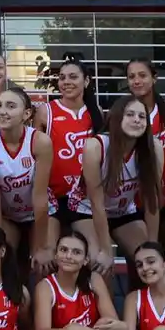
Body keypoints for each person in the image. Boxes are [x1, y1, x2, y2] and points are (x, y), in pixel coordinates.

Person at [65, 95, 162, 281]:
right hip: (87, 210)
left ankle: (140, 306)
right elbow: (96, 202)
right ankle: (104, 309)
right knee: (99, 263)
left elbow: (152, 200)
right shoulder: (96, 146)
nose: (136, 120)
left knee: (151, 262)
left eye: (142, 117)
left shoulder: (154, 148)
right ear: (117, 118)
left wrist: (153, 245)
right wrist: (106, 249)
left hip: (124, 211)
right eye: (130, 114)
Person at [0, 85, 56, 278]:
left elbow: (40, 196)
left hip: (40, 212)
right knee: (3, 261)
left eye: (11, 106)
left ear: (26, 113)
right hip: (7, 214)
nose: (2, 111)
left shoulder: (40, 142)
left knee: (42, 265)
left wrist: (41, 246)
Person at [126, 57, 165, 286]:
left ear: (154, 78)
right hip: (137, 205)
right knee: (140, 269)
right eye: (131, 76)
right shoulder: (123, 113)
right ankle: (140, 319)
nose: (137, 81)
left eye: (142, 75)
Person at [36, 57, 102, 217]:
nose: (66, 81)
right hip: (53, 198)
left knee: (92, 241)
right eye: (62, 77)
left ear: (86, 81)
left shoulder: (96, 111)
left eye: (73, 77)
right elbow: (34, 156)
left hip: (85, 199)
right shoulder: (45, 111)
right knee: (49, 243)